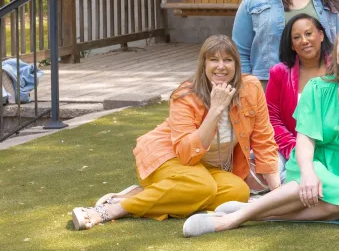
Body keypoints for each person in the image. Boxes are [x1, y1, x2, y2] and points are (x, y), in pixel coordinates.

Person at [181, 23, 339, 236]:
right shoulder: (317, 88)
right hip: (311, 161)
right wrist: (308, 173)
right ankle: (231, 220)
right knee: (324, 188)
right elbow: (305, 139)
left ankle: (256, 213)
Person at [70, 36, 279, 230]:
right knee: (203, 187)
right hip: (169, 157)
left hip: (206, 169)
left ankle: (149, 195)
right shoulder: (185, 95)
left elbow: (264, 141)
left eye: (228, 60)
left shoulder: (251, 88)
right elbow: (187, 154)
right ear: (204, 65)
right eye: (213, 59)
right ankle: (115, 209)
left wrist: (277, 193)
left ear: (237, 64)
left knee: (238, 192)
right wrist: (215, 109)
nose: (221, 66)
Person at [266, 13, 332, 163]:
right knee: (274, 171)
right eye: (296, 37)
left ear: (321, 35)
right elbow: (272, 119)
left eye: (309, 34)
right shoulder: (279, 73)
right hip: (289, 148)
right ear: (292, 46)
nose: (304, 41)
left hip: (332, 151)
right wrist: (296, 151)